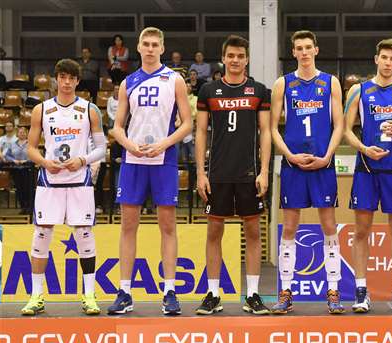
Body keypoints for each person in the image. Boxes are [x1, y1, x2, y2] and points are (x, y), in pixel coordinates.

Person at [108, 27, 192, 315]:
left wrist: (163, 144)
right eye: (146, 44)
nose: (150, 48)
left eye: (155, 44)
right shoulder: (127, 82)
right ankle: (125, 292)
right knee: (128, 227)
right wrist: (130, 145)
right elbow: (117, 127)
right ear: (139, 47)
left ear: (162, 48)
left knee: (167, 227)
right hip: (133, 162)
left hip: (163, 160)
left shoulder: (175, 80)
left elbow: (187, 123)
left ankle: (169, 291)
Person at [20, 59, 106, 315]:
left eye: (72, 78)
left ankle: (89, 295)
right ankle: (36, 296)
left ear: (77, 81)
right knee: (42, 234)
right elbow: (31, 148)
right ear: (56, 79)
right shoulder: (42, 110)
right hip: (50, 180)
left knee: (84, 234)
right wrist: (45, 162)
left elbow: (102, 148)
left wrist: (83, 160)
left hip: (80, 180)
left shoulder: (90, 110)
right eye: (63, 77)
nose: (67, 82)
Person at [344, 39, 392, 313]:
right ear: (376, 59)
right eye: (384, 57)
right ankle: (361, 291)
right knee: (361, 231)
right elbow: (345, 130)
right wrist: (364, 148)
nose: (388, 62)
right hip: (367, 169)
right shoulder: (359, 90)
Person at [194, 35, 271, 315]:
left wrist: (264, 171)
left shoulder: (259, 91)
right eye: (231, 55)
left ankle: (252, 295)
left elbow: (266, 132)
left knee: (253, 231)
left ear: (247, 59)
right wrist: (201, 173)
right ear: (223, 58)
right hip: (218, 173)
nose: (235, 60)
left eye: (240, 56)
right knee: (214, 231)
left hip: (250, 173)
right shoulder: (208, 91)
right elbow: (200, 132)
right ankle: (213, 294)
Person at [269, 30, 345, 315]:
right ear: (293, 52)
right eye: (299, 48)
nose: (303, 52)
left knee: (329, 226)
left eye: (307, 47)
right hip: (293, 165)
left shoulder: (330, 82)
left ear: (316, 50)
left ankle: (333, 291)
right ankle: (286, 292)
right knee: (289, 227)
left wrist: (327, 156)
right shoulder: (283, 83)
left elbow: (339, 124)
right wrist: (288, 155)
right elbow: (272, 128)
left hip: (323, 163)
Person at [3, 126, 33, 213]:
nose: (22, 134)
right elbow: (7, 155)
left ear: (27, 134)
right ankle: (23, 207)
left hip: (28, 169)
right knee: (19, 189)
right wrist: (14, 160)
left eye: (24, 132)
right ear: (17, 134)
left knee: (28, 189)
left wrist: (26, 161)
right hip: (16, 170)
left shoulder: (30, 144)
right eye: (20, 132)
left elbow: (35, 155)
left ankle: (29, 207)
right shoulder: (12, 144)